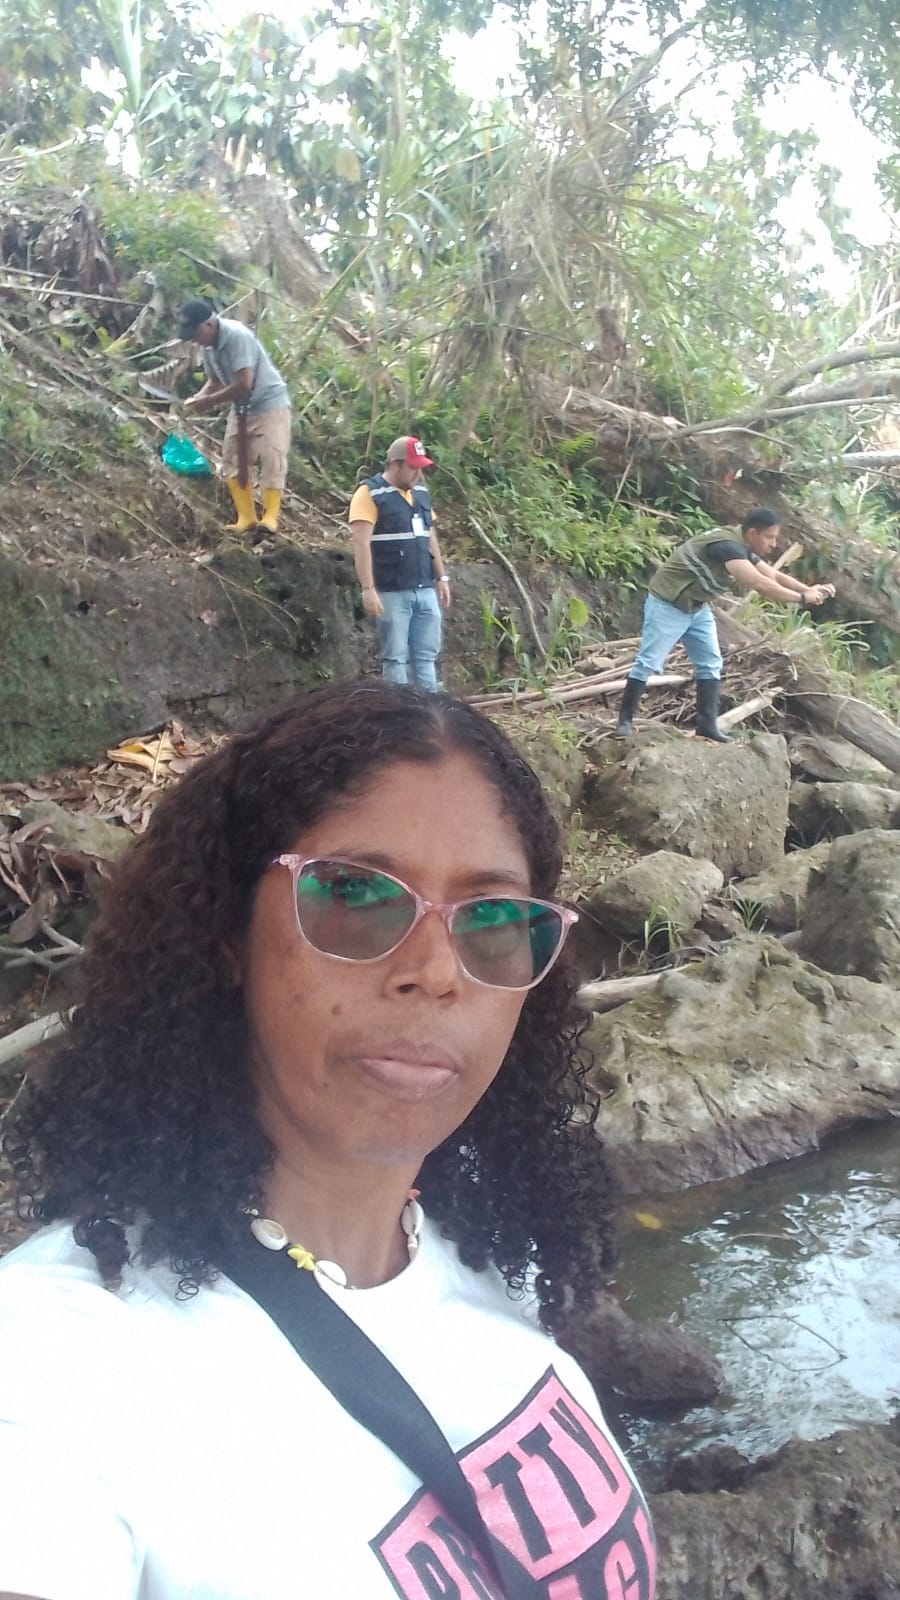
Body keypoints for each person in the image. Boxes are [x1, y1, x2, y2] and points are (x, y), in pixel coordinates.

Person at [0, 682, 655, 1600]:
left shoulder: (491, 1263)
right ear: (229, 934)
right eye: (354, 895)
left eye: (493, 919)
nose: (434, 971)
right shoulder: (62, 1359)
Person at [616, 507, 836, 742]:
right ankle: (624, 722)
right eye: (769, 537)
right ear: (752, 533)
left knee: (710, 663)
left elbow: (773, 575)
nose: (774, 544)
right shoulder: (727, 546)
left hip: (696, 607)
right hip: (668, 605)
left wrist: (808, 589)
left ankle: (707, 727)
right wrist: (801, 598)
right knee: (648, 662)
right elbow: (759, 583)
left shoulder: (741, 544)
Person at [176, 296, 292, 536]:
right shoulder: (209, 347)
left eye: (196, 334)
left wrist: (209, 402)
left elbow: (244, 383)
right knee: (231, 457)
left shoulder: (236, 337)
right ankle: (246, 517)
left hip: (269, 402)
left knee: (272, 456)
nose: (195, 340)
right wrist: (198, 398)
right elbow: (215, 381)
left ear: (209, 324)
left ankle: (270, 518)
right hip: (241, 407)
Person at [349, 436, 451, 690]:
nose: (418, 473)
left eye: (420, 468)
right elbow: (360, 543)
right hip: (392, 591)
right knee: (395, 657)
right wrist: (368, 589)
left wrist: (441, 577)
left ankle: (430, 704)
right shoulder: (370, 493)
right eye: (413, 467)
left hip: (424, 588)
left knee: (426, 656)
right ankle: (400, 708)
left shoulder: (421, 494)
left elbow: (430, 536)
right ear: (395, 464)